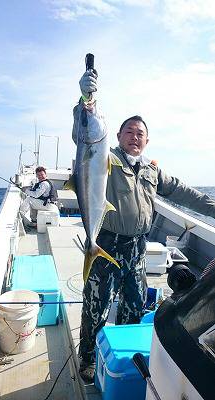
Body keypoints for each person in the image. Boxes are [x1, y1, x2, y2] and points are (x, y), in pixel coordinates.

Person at [76, 70, 215, 383]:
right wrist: (86, 101)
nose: (134, 137)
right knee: (96, 306)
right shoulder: (105, 159)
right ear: (117, 136)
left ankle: (123, 356)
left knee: (134, 306)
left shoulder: (153, 170)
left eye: (140, 133)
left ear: (147, 140)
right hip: (106, 243)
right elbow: (83, 139)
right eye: (129, 132)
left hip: (138, 248)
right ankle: (88, 358)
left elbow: (185, 193)